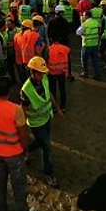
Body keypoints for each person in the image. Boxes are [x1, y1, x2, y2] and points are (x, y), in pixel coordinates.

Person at [0, 75, 36, 211]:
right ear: (9, 91)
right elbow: (23, 135)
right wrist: (26, 151)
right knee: (18, 188)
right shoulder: (15, 109)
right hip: (13, 155)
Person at [21, 56, 64, 187]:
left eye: (43, 73)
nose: (42, 75)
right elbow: (23, 111)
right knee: (47, 148)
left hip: (47, 118)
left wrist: (57, 108)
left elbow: (49, 93)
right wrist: (23, 129)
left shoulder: (44, 78)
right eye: (40, 73)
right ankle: (49, 174)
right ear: (32, 72)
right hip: (36, 124)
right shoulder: (26, 90)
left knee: (42, 142)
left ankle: (26, 150)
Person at [47, 36, 71, 111]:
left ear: (51, 39)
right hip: (62, 72)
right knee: (62, 89)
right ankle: (63, 106)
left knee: (52, 90)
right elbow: (68, 58)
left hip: (51, 72)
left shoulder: (49, 49)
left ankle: (54, 106)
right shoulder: (65, 49)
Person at [76, 10, 101, 79]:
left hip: (86, 45)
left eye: (83, 15)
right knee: (95, 60)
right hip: (95, 44)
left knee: (84, 60)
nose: (83, 16)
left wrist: (81, 22)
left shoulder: (85, 24)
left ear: (87, 16)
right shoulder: (96, 22)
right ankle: (97, 74)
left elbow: (78, 32)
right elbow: (99, 30)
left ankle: (85, 73)